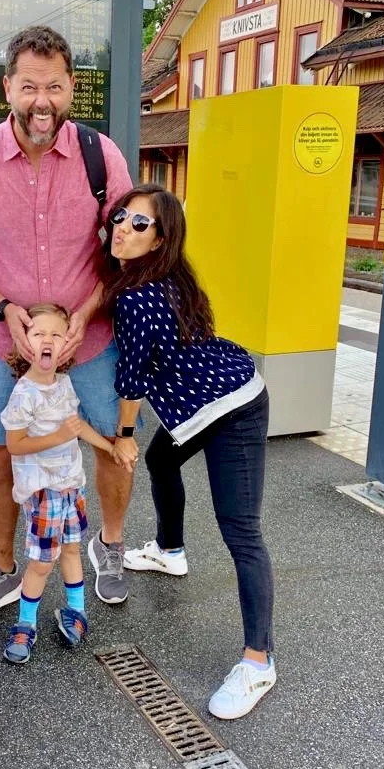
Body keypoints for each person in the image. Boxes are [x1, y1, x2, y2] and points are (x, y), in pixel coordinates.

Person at [0, 24, 135, 628]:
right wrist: (4, 308)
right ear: (7, 89)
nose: (42, 101)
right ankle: (3, 568)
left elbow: (128, 252)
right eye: (29, 86)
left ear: (72, 87)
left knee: (111, 444)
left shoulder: (102, 157)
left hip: (92, 341)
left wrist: (88, 311)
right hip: (6, 343)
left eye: (54, 86)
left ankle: (109, 544)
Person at [104, 184, 276, 720]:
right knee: (163, 460)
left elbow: (131, 378)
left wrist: (124, 435)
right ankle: (170, 550)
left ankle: (258, 661)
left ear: (160, 239)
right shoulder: (162, 276)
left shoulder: (137, 296)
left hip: (235, 407)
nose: (123, 228)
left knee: (241, 532)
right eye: (121, 216)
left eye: (140, 224)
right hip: (202, 404)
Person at [0, 304, 115, 664]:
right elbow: (15, 444)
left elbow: (76, 427)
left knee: (71, 550)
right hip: (44, 491)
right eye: (38, 334)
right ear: (24, 343)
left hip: (71, 486)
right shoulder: (24, 393)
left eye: (56, 334)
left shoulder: (64, 383)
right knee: (41, 563)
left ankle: (77, 611)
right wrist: (59, 436)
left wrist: (111, 448)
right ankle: (25, 623)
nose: (47, 340)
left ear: (67, 343)